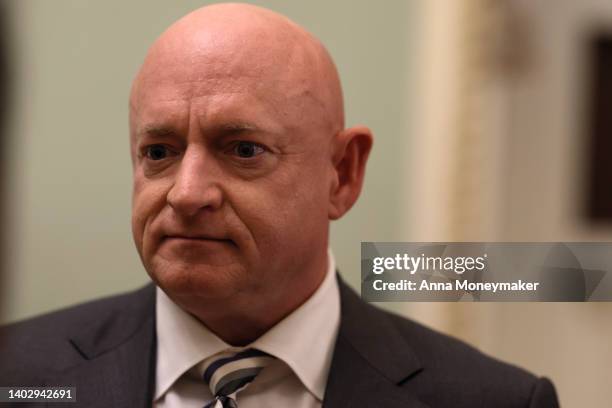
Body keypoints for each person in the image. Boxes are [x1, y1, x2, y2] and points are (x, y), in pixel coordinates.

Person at [0, 3, 559, 407]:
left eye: (243, 150)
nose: (187, 192)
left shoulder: (492, 400)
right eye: (159, 151)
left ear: (341, 174)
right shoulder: (18, 373)